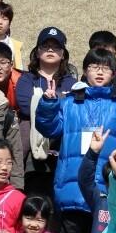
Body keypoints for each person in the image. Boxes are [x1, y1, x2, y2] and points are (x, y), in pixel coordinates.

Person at [35, 47, 116, 233]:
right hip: (71, 188)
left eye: (106, 68)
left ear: (114, 73)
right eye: (94, 67)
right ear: (85, 71)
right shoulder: (70, 103)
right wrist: (49, 103)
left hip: (104, 190)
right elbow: (49, 128)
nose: (99, 72)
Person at [14, 27, 77, 198]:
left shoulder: (71, 82)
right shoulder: (27, 79)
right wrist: (57, 100)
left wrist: (45, 100)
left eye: (56, 47)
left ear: (63, 54)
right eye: (45, 46)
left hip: (61, 147)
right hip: (32, 151)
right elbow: (26, 106)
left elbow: (73, 110)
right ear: (37, 51)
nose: (50, 50)